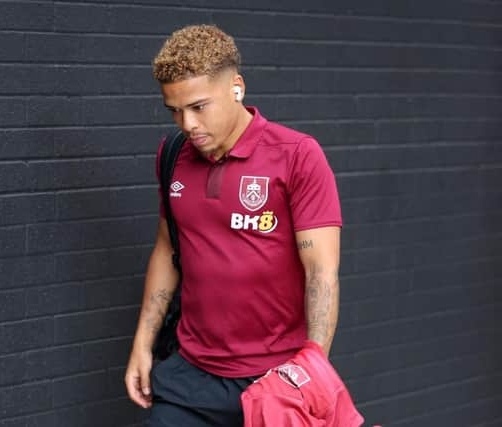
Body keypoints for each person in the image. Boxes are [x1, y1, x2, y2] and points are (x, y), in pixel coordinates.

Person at [124, 24, 343, 427]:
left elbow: (321, 272)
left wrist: (311, 371)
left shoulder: (297, 156)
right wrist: (142, 344)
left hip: (273, 379)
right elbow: (167, 251)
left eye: (198, 106)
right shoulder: (173, 154)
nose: (186, 124)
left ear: (236, 88)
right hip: (190, 377)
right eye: (174, 109)